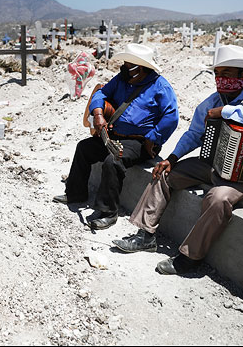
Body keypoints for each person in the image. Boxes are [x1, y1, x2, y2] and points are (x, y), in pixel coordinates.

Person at [112, 45, 243, 275]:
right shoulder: (213, 100)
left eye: (227, 73)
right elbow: (194, 134)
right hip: (214, 164)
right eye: (218, 74)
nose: (221, 79)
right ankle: (145, 235)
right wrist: (172, 158)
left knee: (218, 198)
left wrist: (226, 112)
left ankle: (190, 258)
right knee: (163, 174)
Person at [53, 43, 179, 230]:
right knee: (84, 147)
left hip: (139, 141)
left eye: (129, 65)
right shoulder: (121, 79)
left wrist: (153, 138)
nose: (124, 68)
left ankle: (108, 212)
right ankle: (75, 193)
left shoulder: (161, 87)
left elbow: (171, 117)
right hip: (113, 134)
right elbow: (101, 93)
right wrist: (97, 114)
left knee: (113, 161)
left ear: (141, 68)